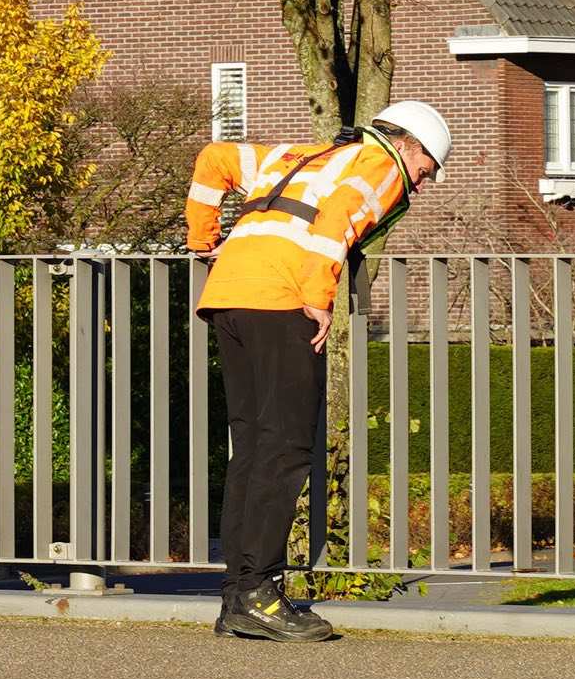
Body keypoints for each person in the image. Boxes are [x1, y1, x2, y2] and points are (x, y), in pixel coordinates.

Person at [185, 101, 451, 642]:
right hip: (283, 300)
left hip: (229, 297)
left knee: (254, 447)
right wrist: (318, 297)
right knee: (286, 449)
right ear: (406, 146)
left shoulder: (303, 154)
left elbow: (214, 159)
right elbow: (338, 218)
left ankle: (238, 594)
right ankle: (259, 592)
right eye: (426, 170)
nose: (420, 184)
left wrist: (203, 241)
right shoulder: (379, 165)